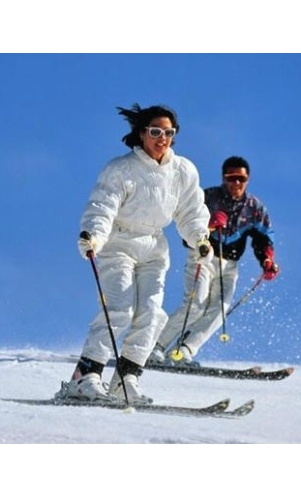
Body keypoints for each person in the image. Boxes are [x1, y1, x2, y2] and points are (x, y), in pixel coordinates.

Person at [61, 103, 212, 404]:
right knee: (119, 307)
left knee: (152, 314)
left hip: (154, 247)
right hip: (118, 244)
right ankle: (85, 376)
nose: (162, 138)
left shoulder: (183, 171)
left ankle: (126, 379)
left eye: (169, 132)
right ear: (142, 133)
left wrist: (200, 238)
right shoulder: (121, 169)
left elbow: (192, 211)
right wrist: (94, 235)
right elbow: (103, 205)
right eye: (155, 131)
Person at [148, 155, 280, 365]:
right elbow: (186, 225)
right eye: (231, 178)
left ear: (247, 180)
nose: (236, 183)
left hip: (229, 266)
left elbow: (263, 238)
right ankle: (155, 347)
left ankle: (183, 351)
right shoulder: (207, 198)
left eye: (241, 179)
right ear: (223, 178)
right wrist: (209, 224)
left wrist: (267, 260)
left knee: (219, 310)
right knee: (196, 305)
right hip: (204, 256)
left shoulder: (254, 208)